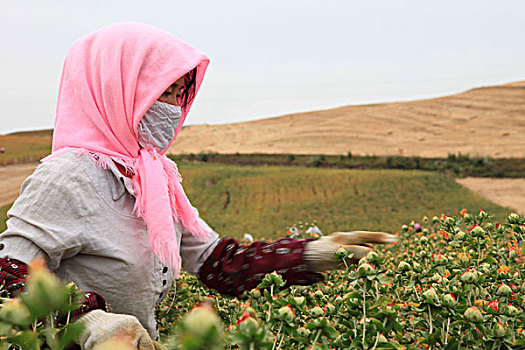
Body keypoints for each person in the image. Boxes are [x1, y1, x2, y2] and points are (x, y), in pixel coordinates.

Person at [0, 23, 396, 349]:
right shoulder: (68, 176)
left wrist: (310, 254)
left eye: (178, 93)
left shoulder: (153, 177)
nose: (171, 108)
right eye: (159, 93)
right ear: (112, 89)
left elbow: (215, 262)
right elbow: (7, 274)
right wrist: (89, 324)